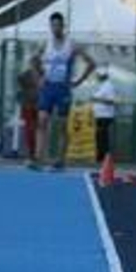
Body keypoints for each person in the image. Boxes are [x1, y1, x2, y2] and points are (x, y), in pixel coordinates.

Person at [32, 12, 95, 172]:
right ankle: (38, 159)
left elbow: (91, 63)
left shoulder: (71, 45)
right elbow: (33, 60)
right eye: (53, 25)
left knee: (61, 126)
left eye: (58, 25)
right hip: (48, 87)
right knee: (42, 121)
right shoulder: (45, 43)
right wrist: (40, 77)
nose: (55, 28)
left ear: (63, 26)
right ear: (50, 26)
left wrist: (78, 81)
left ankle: (60, 159)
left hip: (63, 89)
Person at [16, 53, 43, 159]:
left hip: (38, 104)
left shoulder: (42, 73)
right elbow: (20, 82)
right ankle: (33, 152)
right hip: (30, 104)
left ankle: (36, 152)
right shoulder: (26, 74)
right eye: (34, 62)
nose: (35, 64)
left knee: (36, 128)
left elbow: (20, 82)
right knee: (31, 128)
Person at [91, 67, 119, 164]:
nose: (96, 76)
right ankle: (100, 158)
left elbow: (112, 101)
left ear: (101, 76)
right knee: (99, 137)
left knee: (103, 137)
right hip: (100, 115)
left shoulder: (108, 86)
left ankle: (103, 159)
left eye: (97, 75)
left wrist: (96, 100)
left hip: (105, 116)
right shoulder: (102, 85)